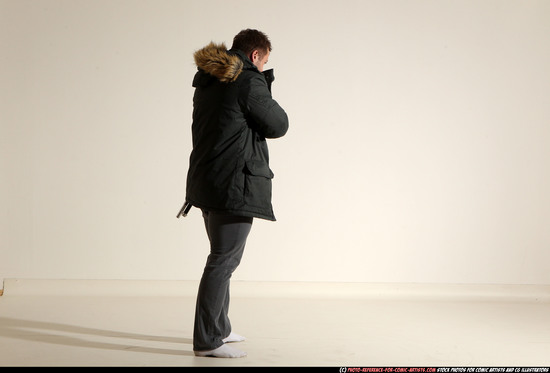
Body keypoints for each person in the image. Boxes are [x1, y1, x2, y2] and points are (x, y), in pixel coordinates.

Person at [177, 29, 289, 358]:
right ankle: (208, 340)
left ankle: (220, 327)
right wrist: (261, 80)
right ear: (255, 56)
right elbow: (278, 124)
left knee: (223, 257)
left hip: (207, 180)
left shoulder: (209, 79)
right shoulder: (248, 80)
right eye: (265, 60)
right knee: (223, 260)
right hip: (233, 184)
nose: (264, 66)